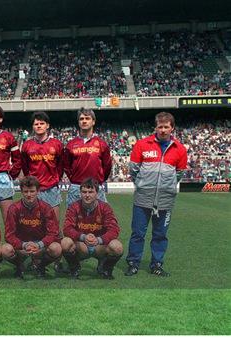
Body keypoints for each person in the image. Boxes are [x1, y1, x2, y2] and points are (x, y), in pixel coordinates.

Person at [125, 112, 187, 277]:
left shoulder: (180, 149)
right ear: (155, 127)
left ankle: (157, 264)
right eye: (160, 126)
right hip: (143, 197)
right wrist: (142, 185)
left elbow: (179, 174)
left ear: (172, 128)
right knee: (138, 233)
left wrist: (166, 187)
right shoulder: (142, 144)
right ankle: (133, 263)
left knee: (160, 235)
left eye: (166, 127)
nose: (163, 130)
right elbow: (134, 170)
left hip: (165, 199)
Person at [61, 178, 123, 279]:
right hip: (82, 245)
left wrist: (99, 239)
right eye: (84, 192)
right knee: (65, 243)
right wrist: (83, 237)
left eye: (91, 192)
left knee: (117, 247)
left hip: (100, 246)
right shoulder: (74, 207)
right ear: (80, 193)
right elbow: (67, 229)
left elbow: (114, 230)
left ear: (97, 193)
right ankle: (75, 268)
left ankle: (105, 268)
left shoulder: (105, 207)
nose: (87, 195)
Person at [1, 176, 62, 279]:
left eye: (32, 191)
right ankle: (19, 265)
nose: (29, 194)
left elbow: (53, 233)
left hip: (40, 247)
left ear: (38, 191)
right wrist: (23, 245)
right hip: (22, 246)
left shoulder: (46, 208)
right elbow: (9, 235)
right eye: (26, 191)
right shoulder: (14, 208)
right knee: (5, 250)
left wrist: (39, 244)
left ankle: (41, 266)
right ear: (21, 192)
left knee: (56, 248)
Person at [63, 108, 112, 206]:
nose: (84, 121)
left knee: (98, 220)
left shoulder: (102, 144)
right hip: (76, 187)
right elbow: (66, 166)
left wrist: (99, 180)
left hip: (96, 187)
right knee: (74, 220)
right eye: (81, 119)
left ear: (93, 121)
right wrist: (74, 179)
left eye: (87, 118)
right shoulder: (70, 144)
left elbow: (107, 167)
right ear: (78, 122)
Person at [21, 111, 64, 217]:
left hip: (51, 188)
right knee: (35, 225)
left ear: (47, 125)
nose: (39, 126)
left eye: (42, 123)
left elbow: (61, 165)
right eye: (36, 124)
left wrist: (55, 179)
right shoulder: (27, 145)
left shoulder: (57, 144)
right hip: (33, 189)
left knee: (54, 224)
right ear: (33, 127)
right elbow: (25, 166)